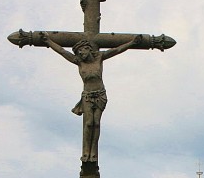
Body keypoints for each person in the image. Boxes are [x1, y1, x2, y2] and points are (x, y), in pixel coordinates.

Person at [40, 32, 142, 163]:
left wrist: (132, 43)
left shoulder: (99, 57)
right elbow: (62, 51)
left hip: (100, 95)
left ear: (88, 48)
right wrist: (48, 41)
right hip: (87, 97)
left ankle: (93, 152)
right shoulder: (79, 62)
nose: (80, 54)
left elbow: (116, 50)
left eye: (81, 51)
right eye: (78, 53)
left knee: (96, 123)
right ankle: (86, 151)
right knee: (89, 124)